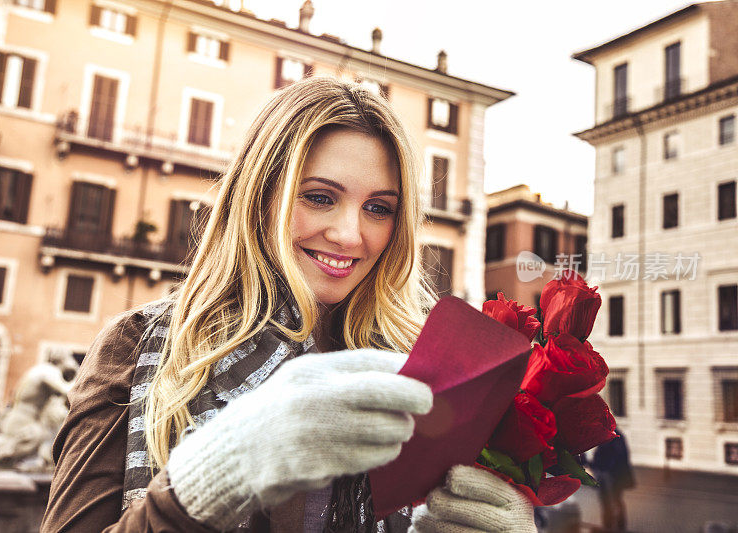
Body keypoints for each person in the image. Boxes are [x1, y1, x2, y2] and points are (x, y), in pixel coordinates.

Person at [42, 77, 537, 533]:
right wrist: (215, 476)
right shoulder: (137, 345)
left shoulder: (424, 368)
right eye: (320, 197)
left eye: (378, 208)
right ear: (260, 196)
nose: (349, 234)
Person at [591, 427, 635, 532]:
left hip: (612, 475)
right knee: (606, 501)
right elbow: (600, 453)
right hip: (603, 473)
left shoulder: (616, 436)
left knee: (614, 500)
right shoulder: (605, 435)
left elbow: (620, 455)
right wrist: (595, 466)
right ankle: (608, 525)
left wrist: (607, 469)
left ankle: (618, 526)